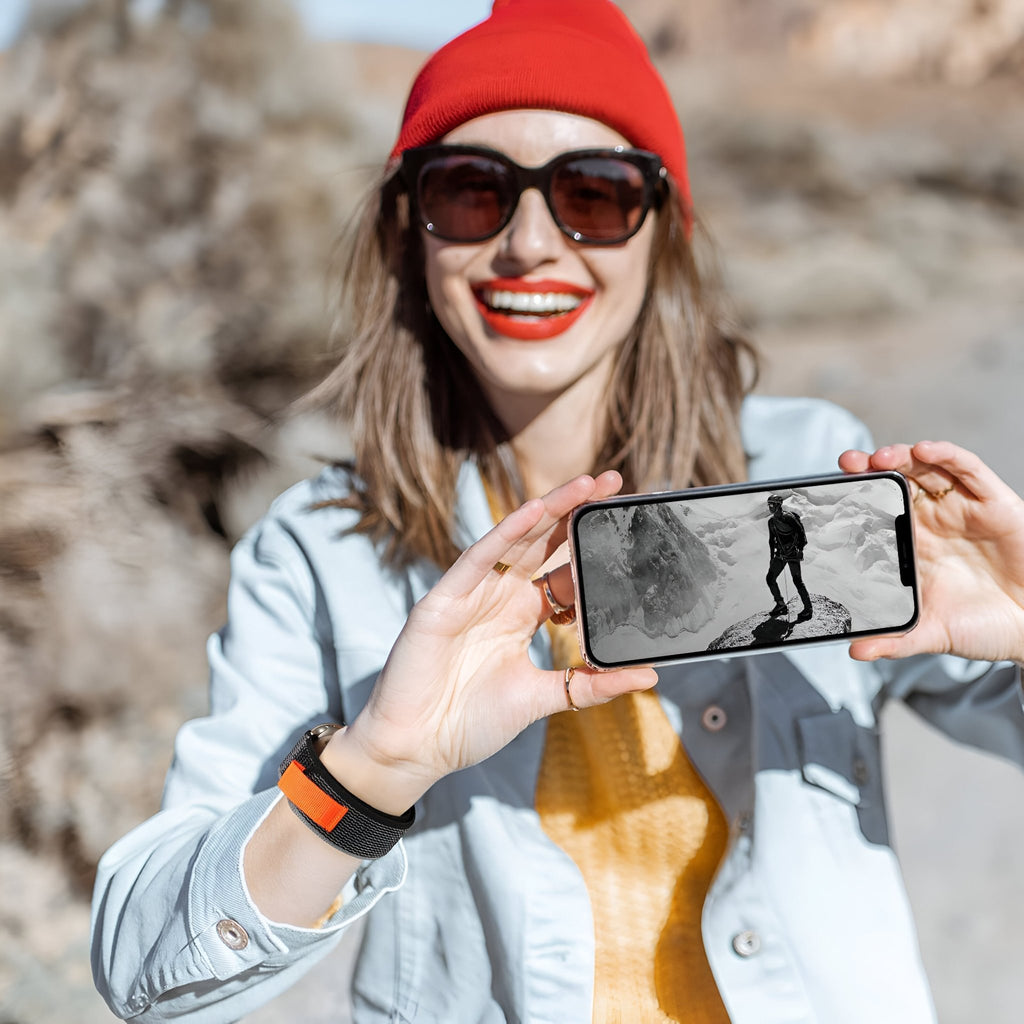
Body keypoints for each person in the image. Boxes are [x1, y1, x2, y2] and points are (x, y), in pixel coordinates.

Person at [90, 2, 1024, 1022]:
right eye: (470, 191)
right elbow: (146, 976)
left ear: (663, 230)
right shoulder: (322, 553)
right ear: (408, 231)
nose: (529, 244)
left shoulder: (807, 466)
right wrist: (371, 772)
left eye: (593, 194)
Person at [764, 493, 813, 621]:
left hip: (792, 553)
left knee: (797, 581)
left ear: (778, 505)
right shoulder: (771, 522)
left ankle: (808, 608)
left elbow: (801, 534)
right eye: (769, 505)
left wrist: (800, 549)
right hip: (782, 554)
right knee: (770, 578)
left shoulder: (789, 518)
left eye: (772, 505)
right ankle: (780, 604)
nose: (770, 507)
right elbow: (771, 540)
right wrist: (772, 558)